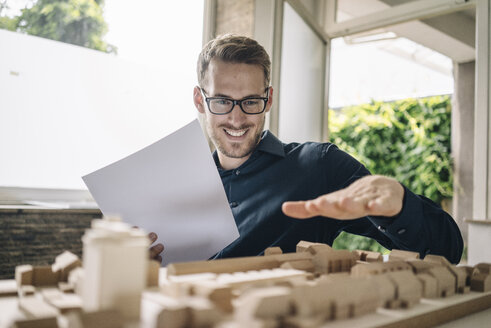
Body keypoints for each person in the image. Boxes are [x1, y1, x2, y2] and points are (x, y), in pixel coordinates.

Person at [149, 34, 463, 264]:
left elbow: (447, 249)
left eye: (250, 101)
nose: (236, 117)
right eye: (221, 101)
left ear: (268, 99)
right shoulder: (177, 188)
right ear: (199, 100)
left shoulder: (319, 168)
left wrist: (400, 206)